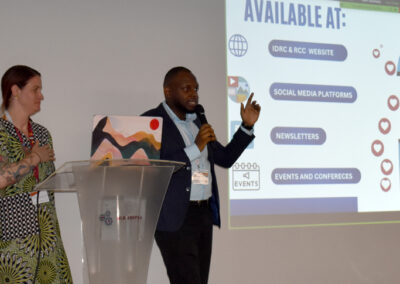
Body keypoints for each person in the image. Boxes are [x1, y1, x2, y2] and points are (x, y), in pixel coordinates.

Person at [142, 66, 260, 284]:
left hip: (202, 213)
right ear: (168, 92)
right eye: (186, 88)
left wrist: (246, 126)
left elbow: (224, 158)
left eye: (195, 88)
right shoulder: (152, 122)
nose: (193, 93)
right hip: (175, 216)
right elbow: (153, 167)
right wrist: (195, 147)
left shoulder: (197, 122)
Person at [0, 65, 73, 283]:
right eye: (35, 89)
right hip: (11, 240)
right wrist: (33, 158)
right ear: (15, 91)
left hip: (47, 232)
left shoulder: (41, 133)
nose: (41, 95)